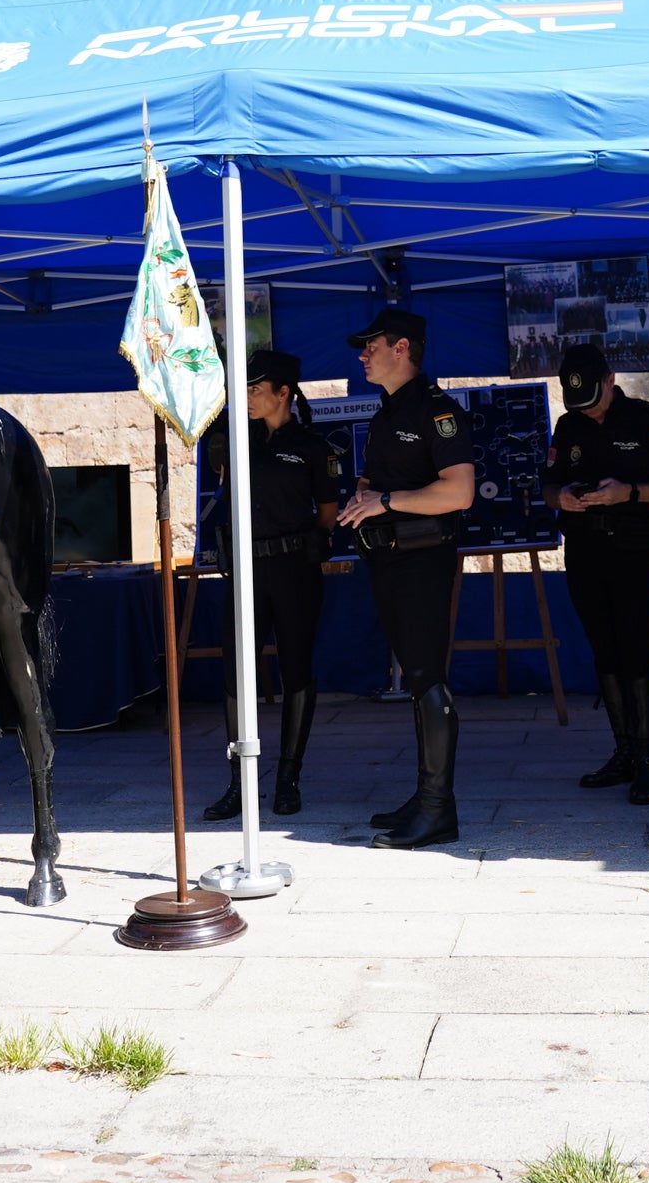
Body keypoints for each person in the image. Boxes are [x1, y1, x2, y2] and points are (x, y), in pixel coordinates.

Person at [337, 306, 473, 850]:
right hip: (389, 560)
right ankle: (425, 796)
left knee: (427, 678)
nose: (362, 354)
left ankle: (439, 810)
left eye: (371, 344)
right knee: (417, 681)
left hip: (423, 559)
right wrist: (367, 496)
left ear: (402, 348)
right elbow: (378, 478)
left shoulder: (438, 411)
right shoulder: (385, 413)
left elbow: (458, 492)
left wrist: (387, 501)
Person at [199, 347, 341, 821]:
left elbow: (327, 516)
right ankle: (239, 783)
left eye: (256, 389)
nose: (248, 397)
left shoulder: (312, 449)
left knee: (296, 670)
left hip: (294, 571)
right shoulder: (237, 441)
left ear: (283, 393)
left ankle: (288, 779)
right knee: (237, 676)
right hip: (245, 572)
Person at [543, 343, 649, 804]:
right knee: (603, 650)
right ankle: (623, 751)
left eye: (593, 397)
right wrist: (562, 496)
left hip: (630, 550)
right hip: (584, 550)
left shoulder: (647, 418)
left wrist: (627, 492)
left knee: (633, 647)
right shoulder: (568, 426)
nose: (587, 410)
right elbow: (546, 483)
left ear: (609, 381)